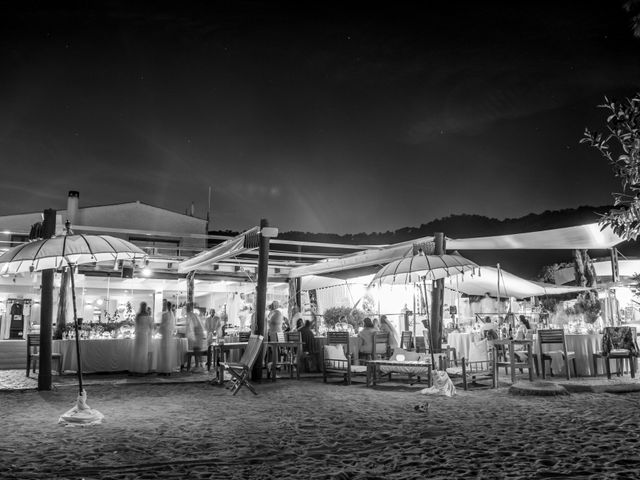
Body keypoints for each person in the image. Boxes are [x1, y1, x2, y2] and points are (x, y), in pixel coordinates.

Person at [131, 301, 153, 375]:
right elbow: (151, 327)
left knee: (139, 352)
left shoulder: (138, 315)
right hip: (144, 335)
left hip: (140, 335)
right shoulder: (147, 316)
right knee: (142, 352)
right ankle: (142, 370)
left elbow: (136, 326)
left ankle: (137, 369)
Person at [185, 304, 206, 372]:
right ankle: (199, 365)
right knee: (196, 349)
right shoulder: (192, 314)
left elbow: (192, 325)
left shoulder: (191, 315)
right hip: (197, 333)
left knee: (196, 349)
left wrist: (190, 335)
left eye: (187, 308)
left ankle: (198, 366)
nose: (186, 309)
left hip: (198, 333)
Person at [157, 300, 176, 376]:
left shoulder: (165, 315)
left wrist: (158, 331)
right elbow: (172, 326)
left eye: (164, 305)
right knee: (168, 352)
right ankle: (168, 369)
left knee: (164, 352)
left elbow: (162, 325)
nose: (162, 306)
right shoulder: (172, 314)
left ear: (166, 306)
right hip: (169, 335)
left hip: (165, 335)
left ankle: (164, 370)